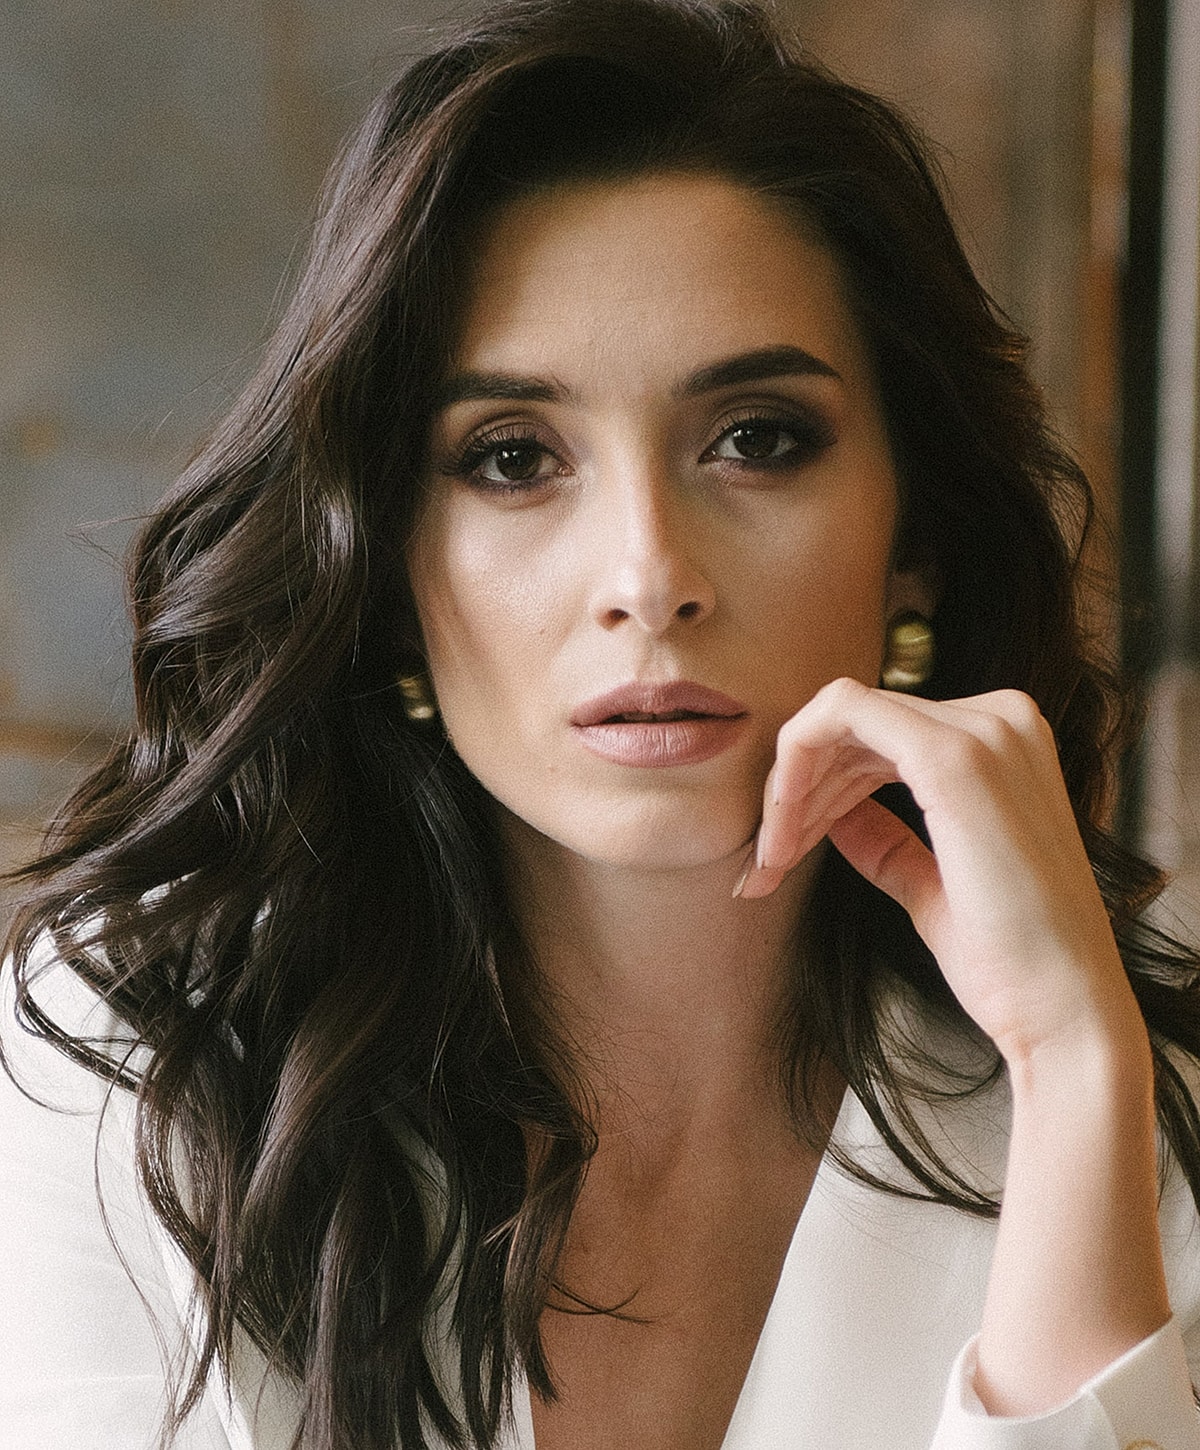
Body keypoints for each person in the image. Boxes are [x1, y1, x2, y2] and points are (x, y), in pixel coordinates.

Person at [3, 1, 1200, 1446]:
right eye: (512, 457)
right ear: (384, 570)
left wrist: (1076, 1062)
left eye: (756, 439)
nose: (649, 575)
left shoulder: (1126, 1098)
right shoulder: (140, 1069)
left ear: (915, 537)